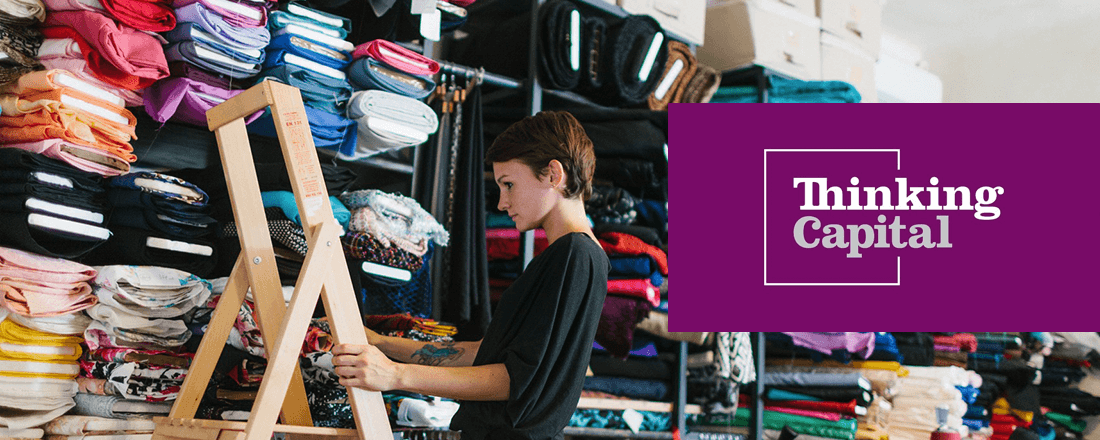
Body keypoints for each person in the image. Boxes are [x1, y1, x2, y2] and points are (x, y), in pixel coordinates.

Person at [332, 110, 610, 440]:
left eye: (509, 185)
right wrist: (379, 342)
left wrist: (394, 375)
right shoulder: (574, 256)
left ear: (553, 174)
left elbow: (513, 379)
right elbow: (484, 354)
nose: (503, 203)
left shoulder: (574, 256)